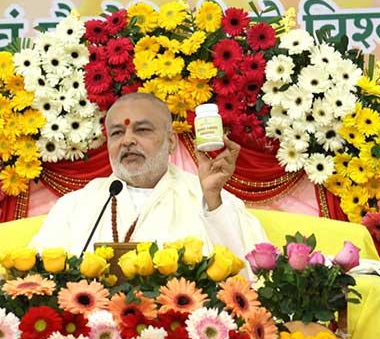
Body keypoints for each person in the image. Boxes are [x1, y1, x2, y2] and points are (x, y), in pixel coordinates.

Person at [30, 93, 267, 256]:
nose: (128, 140)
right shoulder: (75, 205)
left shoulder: (209, 198)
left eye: (142, 130)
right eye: (117, 133)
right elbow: (39, 282)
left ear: (171, 142)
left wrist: (214, 201)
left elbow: (245, 279)